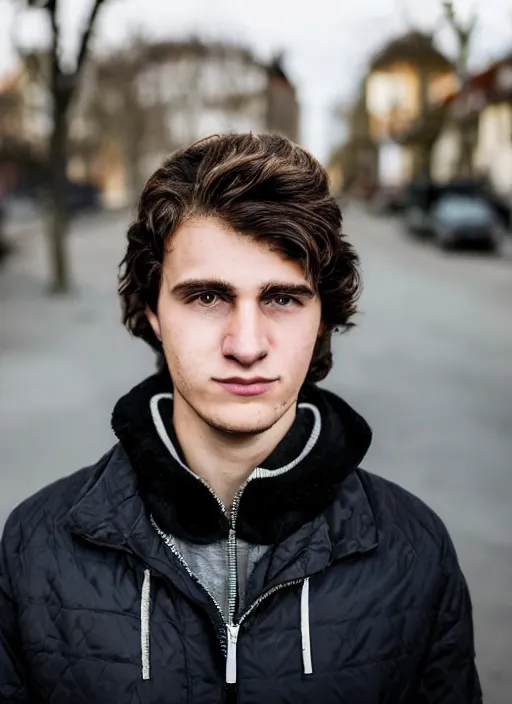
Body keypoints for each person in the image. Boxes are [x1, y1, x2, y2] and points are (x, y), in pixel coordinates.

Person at [0, 133, 481, 703]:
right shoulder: (35, 548)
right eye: (207, 297)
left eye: (282, 298)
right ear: (153, 311)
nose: (246, 345)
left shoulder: (415, 550)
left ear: (322, 317)